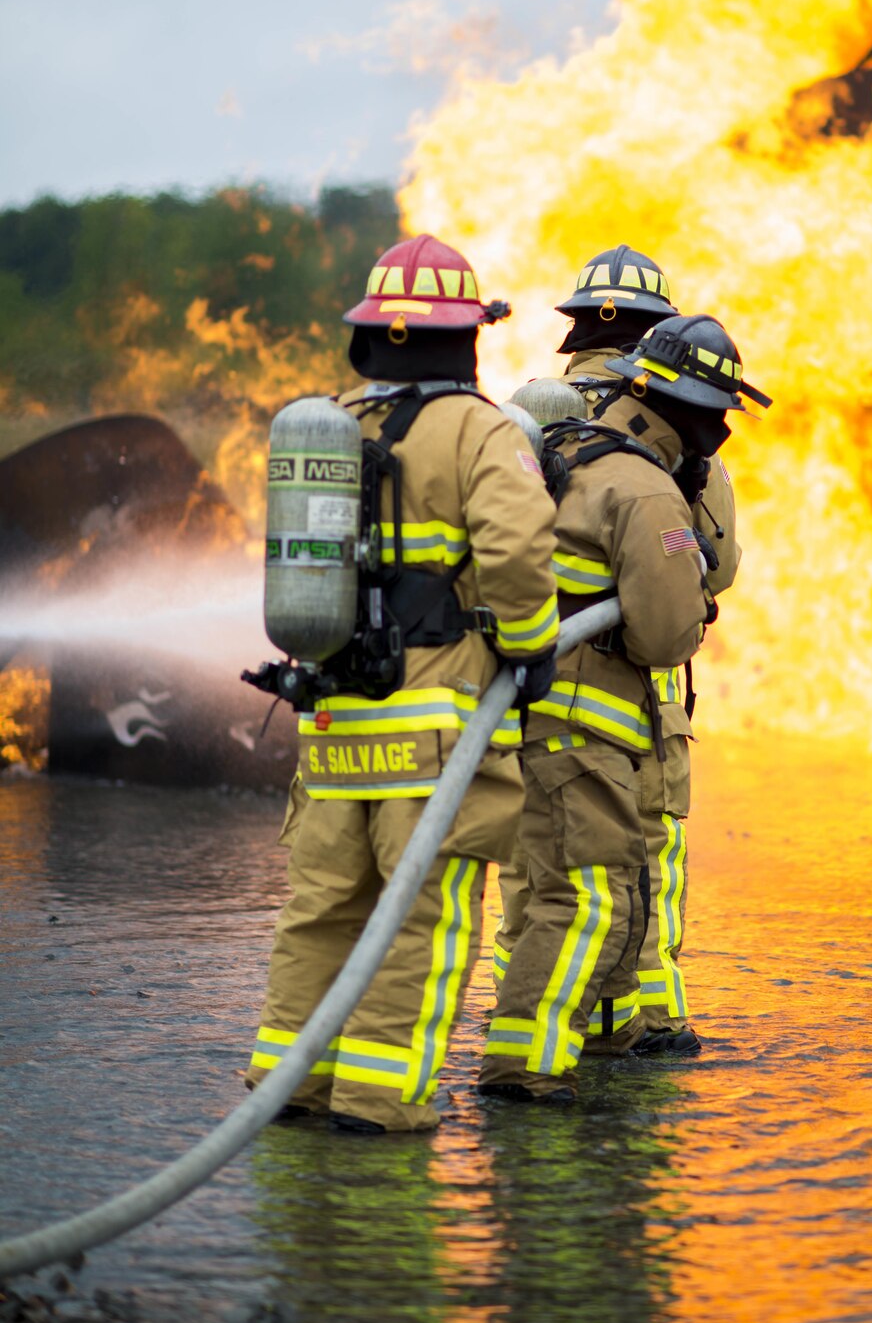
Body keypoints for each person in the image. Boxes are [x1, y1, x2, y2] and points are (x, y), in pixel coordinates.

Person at [245, 233, 559, 1134]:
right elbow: (516, 551)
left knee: (320, 913)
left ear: (370, 338)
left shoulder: (330, 430)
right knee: (421, 921)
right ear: (466, 339)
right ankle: (381, 1105)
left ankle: (290, 1087)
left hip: (337, 730)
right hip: (437, 739)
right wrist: (530, 646)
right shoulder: (482, 430)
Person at [481, 311, 769, 1102]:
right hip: (585, 733)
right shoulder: (643, 487)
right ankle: (526, 1067)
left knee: (545, 893)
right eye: (715, 416)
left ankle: (548, 1052)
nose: (718, 436)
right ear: (686, 409)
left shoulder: (559, 452)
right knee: (589, 899)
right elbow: (667, 632)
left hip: (520, 722)